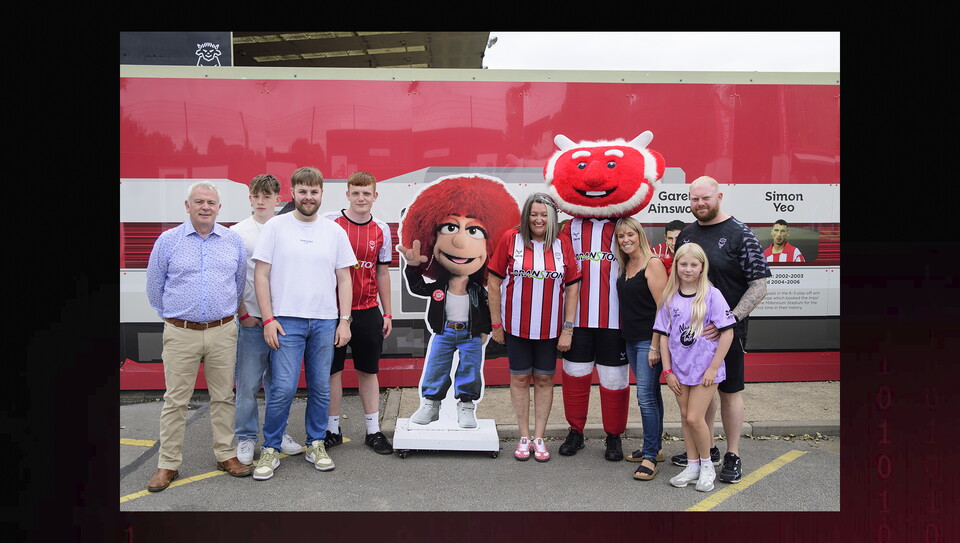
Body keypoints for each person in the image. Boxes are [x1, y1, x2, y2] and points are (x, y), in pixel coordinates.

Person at [251, 166, 357, 480]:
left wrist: (344, 320)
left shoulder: (334, 232)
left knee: (321, 387)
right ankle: (271, 448)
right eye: (302, 191)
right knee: (283, 388)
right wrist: (268, 319)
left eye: (314, 192)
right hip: (286, 321)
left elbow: (344, 278)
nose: (308, 197)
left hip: (325, 321)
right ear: (293, 193)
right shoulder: (275, 227)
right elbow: (261, 275)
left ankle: (315, 444)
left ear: (321, 194)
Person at [145, 181, 251, 491]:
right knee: (176, 401)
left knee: (223, 397)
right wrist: (175, 317)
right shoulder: (168, 241)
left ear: (219, 208)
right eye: (199, 201)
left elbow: (238, 284)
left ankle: (226, 455)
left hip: (223, 331)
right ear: (187, 205)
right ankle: (168, 464)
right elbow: (154, 287)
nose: (205, 207)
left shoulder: (232, 241)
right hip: (181, 333)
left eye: (211, 202)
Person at [397, 174, 519, 429]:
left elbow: (490, 305)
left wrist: (486, 330)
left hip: (471, 335)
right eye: (450, 228)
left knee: (470, 370)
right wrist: (413, 267)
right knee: (436, 367)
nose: (460, 241)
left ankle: (466, 405)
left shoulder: (478, 289)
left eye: (474, 230)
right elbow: (418, 288)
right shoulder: (438, 287)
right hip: (443, 332)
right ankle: (430, 404)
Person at [674, 175, 771, 484]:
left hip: (728, 334)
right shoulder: (686, 234)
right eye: (694, 199)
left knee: (729, 393)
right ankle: (708, 450)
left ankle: (732, 454)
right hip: (692, 337)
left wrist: (727, 321)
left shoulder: (741, 233)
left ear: (719, 197)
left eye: (705, 198)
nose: (700, 203)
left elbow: (759, 285)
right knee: (701, 393)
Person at [487, 193, 581, 462]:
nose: (539, 220)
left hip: (550, 331)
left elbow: (572, 288)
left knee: (544, 380)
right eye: (534, 214)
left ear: (553, 218)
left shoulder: (562, 244)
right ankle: (524, 436)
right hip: (516, 328)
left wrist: (568, 329)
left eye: (544, 215)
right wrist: (496, 324)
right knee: (519, 379)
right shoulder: (511, 239)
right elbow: (493, 284)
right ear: (526, 215)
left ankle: (539, 437)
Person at [231, 174, 303, 466]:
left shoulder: (289, 229)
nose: (261, 202)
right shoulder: (237, 233)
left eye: (267, 196)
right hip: (253, 320)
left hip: (284, 321)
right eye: (256, 196)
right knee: (248, 383)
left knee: (280, 385)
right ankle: (246, 437)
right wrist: (243, 314)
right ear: (249, 197)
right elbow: (235, 278)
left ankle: (278, 433)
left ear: (278, 198)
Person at [321, 171, 394, 455]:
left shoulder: (381, 229)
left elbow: (382, 272)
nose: (361, 198)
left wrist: (388, 313)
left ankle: (373, 431)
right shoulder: (331, 222)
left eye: (366, 193)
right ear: (347, 194)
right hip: (333, 313)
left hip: (367, 311)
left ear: (375, 196)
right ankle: (332, 430)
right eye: (356, 193)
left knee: (368, 371)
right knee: (333, 372)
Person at [654, 243, 736, 492]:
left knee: (694, 417)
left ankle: (707, 465)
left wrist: (713, 368)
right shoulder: (670, 297)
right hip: (680, 370)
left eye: (693, 264)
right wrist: (667, 371)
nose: (688, 269)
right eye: (683, 264)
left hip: (705, 371)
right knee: (684, 416)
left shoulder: (712, 295)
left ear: (702, 267)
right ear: (676, 266)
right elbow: (664, 336)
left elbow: (728, 333)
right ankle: (692, 466)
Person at [614, 216, 668, 480]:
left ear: (640, 236)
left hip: (649, 341)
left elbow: (663, 308)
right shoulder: (625, 265)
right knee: (652, 394)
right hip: (631, 339)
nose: (626, 240)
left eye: (630, 234)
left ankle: (649, 458)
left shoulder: (652, 263)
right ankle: (655, 448)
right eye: (621, 236)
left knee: (645, 397)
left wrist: (655, 346)